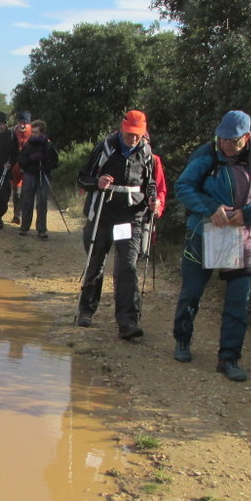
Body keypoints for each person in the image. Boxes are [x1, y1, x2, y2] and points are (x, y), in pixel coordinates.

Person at [171, 110, 251, 381]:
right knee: (191, 292)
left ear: (246, 137)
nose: (226, 145)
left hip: (241, 237)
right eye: (222, 139)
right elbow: (183, 187)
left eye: (232, 141)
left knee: (238, 300)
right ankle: (182, 340)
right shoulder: (206, 154)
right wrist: (211, 207)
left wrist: (250, 213)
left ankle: (229, 358)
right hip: (203, 232)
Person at [75, 110, 158, 340]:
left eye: (138, 135)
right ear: (122, 128)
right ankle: (86, 310)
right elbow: (82, 177)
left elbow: (149, 183)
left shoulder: (146, 151)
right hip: (102, 214)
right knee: (96, 262)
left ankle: (128, 323)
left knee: (127, 267)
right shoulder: (105, 147)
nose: (133, 139)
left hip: (130, 216)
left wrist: (153, 198)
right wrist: (97, 182)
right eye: (130, 134)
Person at [17, 119, 58, 239]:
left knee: (41, 202)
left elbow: (55, 161)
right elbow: (21, 161)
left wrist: (45, 165)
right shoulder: (28, 145)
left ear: (42, 133)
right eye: (32, 132)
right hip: (29, 175)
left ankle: (41, 229)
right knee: (27, 201)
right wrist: (31, 160)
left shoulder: (48, 145)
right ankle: (24, 227)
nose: (33, 134)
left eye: (36, 132)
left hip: (43, 176)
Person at [9, 111, 32, 224]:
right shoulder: (12, 132)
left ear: (29, 124)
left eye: (25, 123)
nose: (22, 125)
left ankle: (18, 214)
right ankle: (16, 214)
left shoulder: (34, 133)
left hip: (28, 167)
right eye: (20, 122)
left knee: (25, 191)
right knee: (16, 192)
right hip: (15, 168)